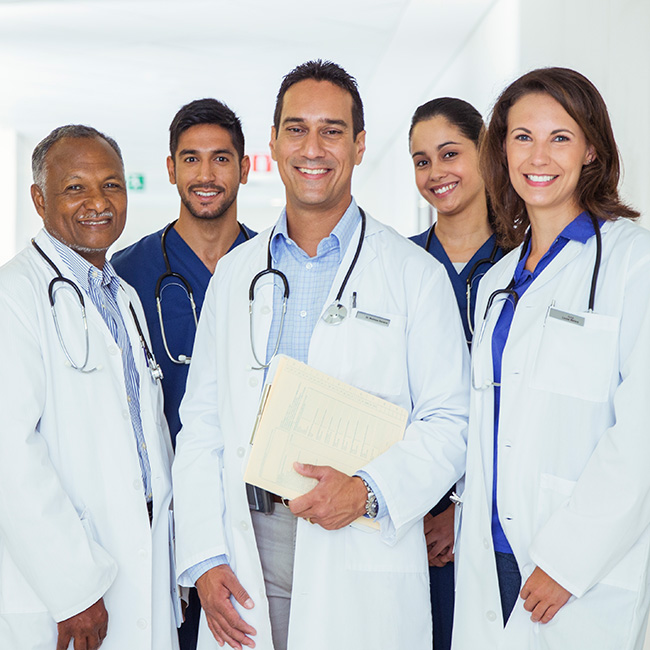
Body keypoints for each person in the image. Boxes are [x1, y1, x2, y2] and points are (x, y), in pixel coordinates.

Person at [172, 60, 470, 650]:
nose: (313, 147)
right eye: (296, 129)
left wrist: (367, 491)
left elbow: (450, 421)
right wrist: (204, 556)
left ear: (359, 146)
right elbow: (201, 423)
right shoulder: (235, 274)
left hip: (360, 537)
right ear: (273, 145)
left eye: (332, 130)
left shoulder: (414, 275)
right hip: (247, 541)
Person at [452, 67, 650, 650]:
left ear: (592, 149)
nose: (539, 156)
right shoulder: (497, 281)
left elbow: (641, 430)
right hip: (490, 554)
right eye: (522, 137)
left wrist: (568, 558)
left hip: (575, 564)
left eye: (560, 137)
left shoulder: (631, 262)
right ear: (502, 150)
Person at [0, 125, 179, 650]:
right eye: (75, 187)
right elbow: (10, 454)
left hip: (139, 559)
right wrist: (73, 588)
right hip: (67, 589)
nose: (97, 203)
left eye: (112, 185)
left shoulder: (122, 296)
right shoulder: (15, 296)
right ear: (39, 199)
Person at [112, 99, 256, 650]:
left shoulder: (272, 265)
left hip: (252, 509)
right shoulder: (127, 274)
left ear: (244, 167)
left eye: (221, 159)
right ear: (170, 169)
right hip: (158, 510)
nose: (206, 175)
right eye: (191, 159)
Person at [408, 97, 507, 650]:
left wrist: (461, 510)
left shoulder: (524, 263)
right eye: (422, 161)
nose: (436, 173)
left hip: (495, 509)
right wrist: (421, 503)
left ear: (485, 150)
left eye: (449, 154)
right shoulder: (398, 266)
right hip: (408, 511)